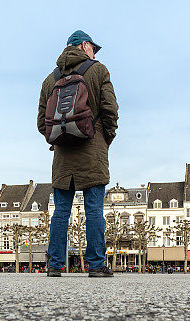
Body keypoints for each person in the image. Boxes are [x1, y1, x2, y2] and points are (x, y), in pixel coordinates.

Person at [38, 30, 119, 277]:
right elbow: (110, 109)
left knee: (61, 211)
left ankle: (54, 265)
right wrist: (106, 137)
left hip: (62, 156)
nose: (94, 53)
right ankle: (95, 266)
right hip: (92, 150)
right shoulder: (98, 70)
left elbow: (42, 122)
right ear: (85, 46)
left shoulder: (49, 79)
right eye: (93, 48)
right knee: (94, 210)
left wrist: (58, 140)